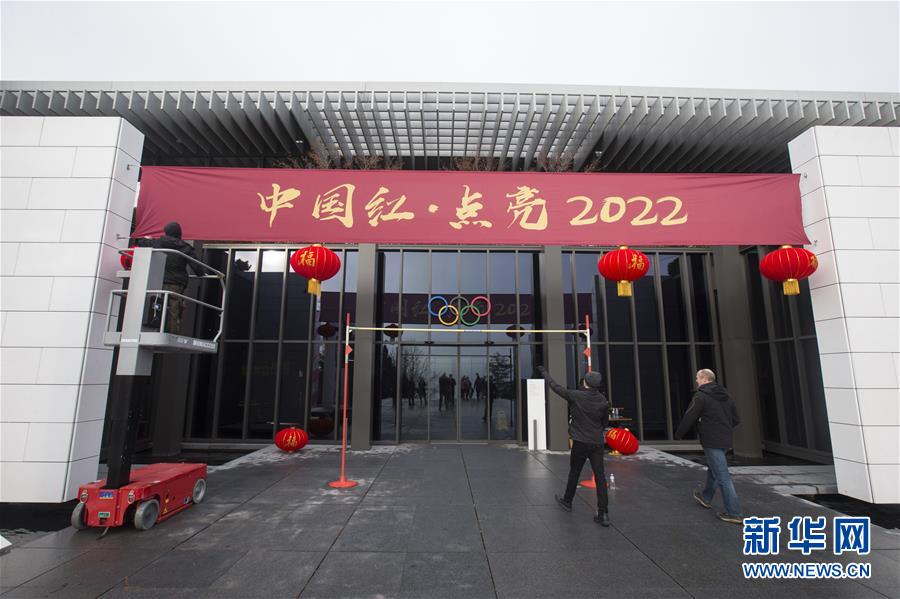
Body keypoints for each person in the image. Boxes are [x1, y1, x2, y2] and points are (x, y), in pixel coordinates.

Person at [536, 365, 611, 527]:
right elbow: (604, 423)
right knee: (600, 477)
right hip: (597, 443)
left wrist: (544, 372)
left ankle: (567, 501)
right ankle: (603, 513)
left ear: (585, 382)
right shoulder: (603, 401)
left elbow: (556, 387)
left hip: (580, 441)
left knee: (575, 472)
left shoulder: (576, 396)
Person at [674, 369, 742, 524]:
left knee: (722, 475)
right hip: (725, 438)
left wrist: (679, 433)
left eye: (698, 378)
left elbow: (690, 416)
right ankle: (706, 497)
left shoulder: (701, 396)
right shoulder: (726, 395)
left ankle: (734, 512)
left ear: (705, 379)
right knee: (714, 469)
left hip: (711, 440)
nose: (696, 381)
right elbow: (736, 418)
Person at [134, 221, 198, 334]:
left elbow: (141, 242)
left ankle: (155, 330)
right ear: (179, 233)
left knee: (157, 305)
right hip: (177, 283)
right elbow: (198, 268)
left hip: (159, 281)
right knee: (174, 308)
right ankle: (172, 332)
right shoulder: (185, 247)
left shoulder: (158, 243)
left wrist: (146, 238)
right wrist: (203, 273)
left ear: (166, 232)